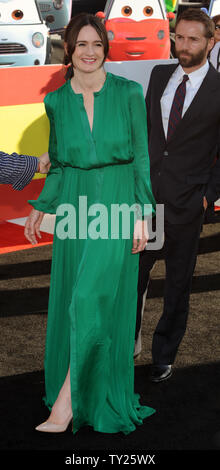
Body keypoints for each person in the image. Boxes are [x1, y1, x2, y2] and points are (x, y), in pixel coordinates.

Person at [24, 13, 156, 434]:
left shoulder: (130, 93)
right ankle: (85, 389)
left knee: (89, 299)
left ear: (106, 49)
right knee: (79, 301)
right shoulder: (56, 101)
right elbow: (59, 163)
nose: (89, 52)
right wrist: (40, 205)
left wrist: (142, 214)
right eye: (81, 44)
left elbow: (140, 159)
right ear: (68, 49)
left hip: (117, 204)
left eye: (96, 44)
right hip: (75, 208)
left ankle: (65, 405)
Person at [135, 8, 220, 383]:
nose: (183, 46)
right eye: (178, 37)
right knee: (130, 279)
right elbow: (148, 132)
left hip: (188, 204)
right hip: (144, 200)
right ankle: (125, 346)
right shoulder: (158, 74)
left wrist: (207, 196)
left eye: (193, 39)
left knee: (176, 287)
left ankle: (163, 356)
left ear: (211, 41)